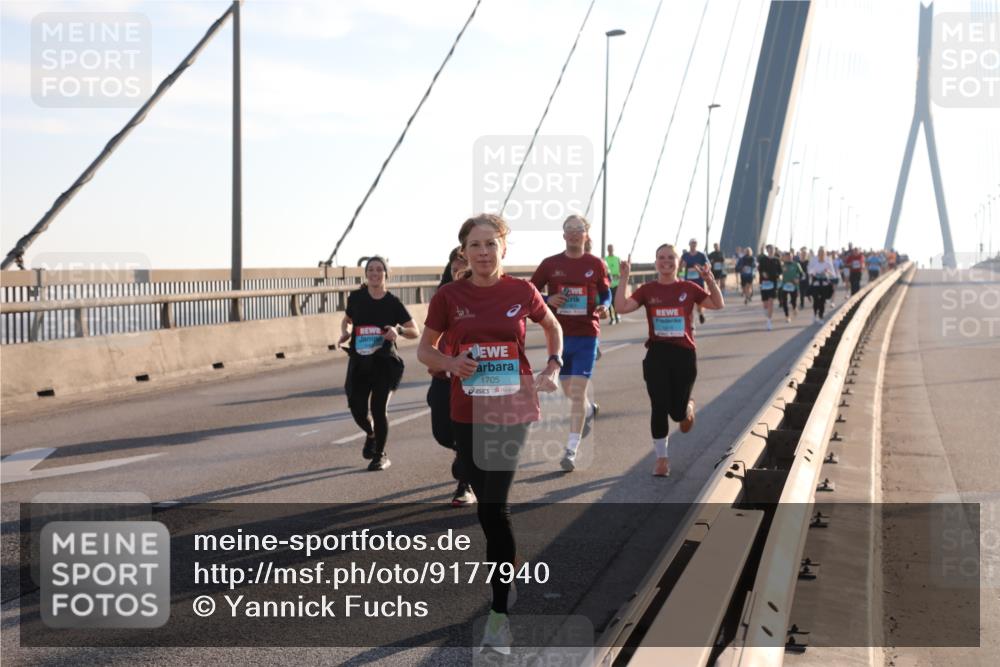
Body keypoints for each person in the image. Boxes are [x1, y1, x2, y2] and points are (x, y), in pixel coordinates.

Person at [418, 213, 562, 653]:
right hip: (466, 408)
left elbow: (552, 327)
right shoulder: (449, 296)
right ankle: (507, 562)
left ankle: (499, 615)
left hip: (513, 406)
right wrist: (449, 363)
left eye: (490, 244)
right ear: (464, 251)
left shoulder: (522, 290)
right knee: (484, 504)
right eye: (475, 245)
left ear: (504, 248)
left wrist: (553, 365)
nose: (483, 252)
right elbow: (425, 349)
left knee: (495, 505)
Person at [613, 244, 724, 477]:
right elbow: (622, 307)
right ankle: (662, 459)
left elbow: (717, 304)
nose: (666, 261)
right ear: (655, 262)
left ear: (678, 262)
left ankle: (687, 408)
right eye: (661, 257)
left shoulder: (688, 288)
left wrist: (710, 280)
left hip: (683, 355)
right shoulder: (647, 289)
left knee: (677, 413)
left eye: (670, 257)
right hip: (657, 354)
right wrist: (624, 278)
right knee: (659, 406)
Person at [530, 215, 611, 472]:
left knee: (576, 392)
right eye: (569, 230)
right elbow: (530, 291)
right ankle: (588, 410)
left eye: (579, 229)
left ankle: (571, 450)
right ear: (563, 235)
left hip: (588, 334)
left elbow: (606, 292)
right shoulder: (550, 264)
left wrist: (605, 305)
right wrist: (548, 297)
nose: (574, 234)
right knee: (570, 393)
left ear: (586, 234)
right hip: (559, 337)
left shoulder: (596, 264)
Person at [339, 256, 420, 471]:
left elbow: (415, 331)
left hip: (384, 362)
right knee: (356, 407)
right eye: (371, 269)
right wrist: (344, 332)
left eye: (379, 269)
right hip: (359, 361)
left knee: (378, 408)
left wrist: (399, 331)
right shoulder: (356, 298)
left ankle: (380, 454)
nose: (375, 273)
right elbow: (347, 319)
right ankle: (371, 434)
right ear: (366, 274)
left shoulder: (393, 302)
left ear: (386, 274)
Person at [427, 247, 476, 506]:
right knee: (442, 433)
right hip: (444, 374)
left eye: (465, 259)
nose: (461, 264)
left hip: (473, 377)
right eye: (457, 259)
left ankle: (464, 486)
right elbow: (428, 340)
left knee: (468, 430)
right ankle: (461, 451)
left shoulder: (482, 295)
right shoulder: (442, 296)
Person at [680, 238, 710, 324]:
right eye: (692, 243)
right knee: (689, 303)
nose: (693, 245)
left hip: (699, 281)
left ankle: (700, 313)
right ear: (689, 244)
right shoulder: (685, 256)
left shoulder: (701, 255)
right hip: (688, 282)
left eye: (695, 243)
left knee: (699, 302)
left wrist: (705, 269)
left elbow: (707, 265)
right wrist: (682, 268)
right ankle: (691, 324)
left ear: (696, 245)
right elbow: (679, 268)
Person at [808, 246, 837, 322]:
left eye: (823, 253)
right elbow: (809, 271)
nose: (821, 255)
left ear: (825, 254)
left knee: (822, 301)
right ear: (817, 254)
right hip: (816, 283)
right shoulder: (814, 261)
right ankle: (815, 314)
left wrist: (828, 272)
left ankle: (821, 316)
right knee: (816, 300)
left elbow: (833, 274)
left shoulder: (828, 262)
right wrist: (813, 272)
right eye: (820, 253)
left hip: (824, 284)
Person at [757, 244, 782, 330]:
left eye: (773, 249)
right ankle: (766, 312)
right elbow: (759, 269)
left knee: (771, 302)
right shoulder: (762, 259)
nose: (771, 250)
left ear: (774, 250)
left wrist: (779, 276)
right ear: (767, 250)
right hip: (764, 283)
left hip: (773, 283)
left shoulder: (777, 260)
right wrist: (763, 273)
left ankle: (769, 321)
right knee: (765, 304)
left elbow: (780, 271)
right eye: (770, 249)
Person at [779, 251, 803, 322]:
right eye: (787, 257)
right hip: (784, 285)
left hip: (793, 285)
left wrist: (797, 278)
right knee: (784, 301)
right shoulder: (782, 265)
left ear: (792, 257)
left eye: (790, 256)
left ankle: (794, 307)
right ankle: (787, 316)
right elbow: (778, 273)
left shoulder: (796, 264)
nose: (788, 258)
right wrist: (779, 276)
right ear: (784, 258)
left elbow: (802, 274)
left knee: (793, 301)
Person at [604, 243, 622, 325]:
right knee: (610, 302)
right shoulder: (605, 259)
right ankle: (612, 318)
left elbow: (621, 270)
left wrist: (619, 276)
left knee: (615, 301)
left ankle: (617, 315)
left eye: (611, 248)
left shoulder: (617, 258)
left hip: (616, 283)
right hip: (608, 284)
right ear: (607, 249)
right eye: (609, 248)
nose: (610, 249)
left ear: (613, 249)